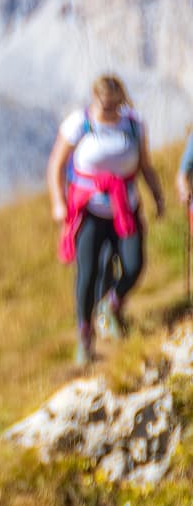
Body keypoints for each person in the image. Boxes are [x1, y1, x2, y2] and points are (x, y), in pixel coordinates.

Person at [47, 73, 165, 365]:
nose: (109, 110)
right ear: (94, 99)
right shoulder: (80, 124)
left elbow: (145, 166)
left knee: (134, 264)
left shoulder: (133, 125)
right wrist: (58, 203)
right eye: (105, 106)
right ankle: (85, 338)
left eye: (114, 105)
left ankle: (110, 307)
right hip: (90, 211)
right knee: (88, 274)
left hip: (125, 208)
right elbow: (56, 165)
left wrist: (157, 195)